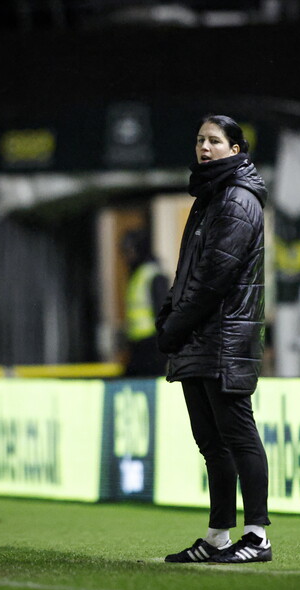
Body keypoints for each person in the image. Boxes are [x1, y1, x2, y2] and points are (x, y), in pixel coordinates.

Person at [158, 115, 271, 564]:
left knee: (239, 437)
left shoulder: (237, 200)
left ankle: (258, 535)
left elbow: (213, 278)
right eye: (200, 140)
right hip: (202, 338)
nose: (204, 148)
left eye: (215, 141)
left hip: (223, 339)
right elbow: (191, 273)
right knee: (212, 444)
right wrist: (172, 314)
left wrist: (176, 323)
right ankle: (218, 536)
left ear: (237, 149)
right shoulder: (211, 198)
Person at [121, 230, 169, 377]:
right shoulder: (138, 275)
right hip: (138, 345)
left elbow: (163, 314)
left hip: (151, 346)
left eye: (129, 251)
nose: (127, 257)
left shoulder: (152, 275)